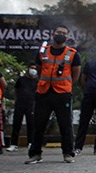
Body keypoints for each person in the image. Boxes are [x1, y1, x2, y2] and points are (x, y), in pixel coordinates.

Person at [27, 26, 81, 164]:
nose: (60, 35)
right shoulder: (43, 52)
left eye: (64, 33)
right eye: (58, 32)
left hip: (62, 94)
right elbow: (39, 70)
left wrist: (66, 85)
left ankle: (68, 153)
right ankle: (35, 154)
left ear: (67, 37)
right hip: (44, 93)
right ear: (52, 34)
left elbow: (75, 74)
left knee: (65, 125)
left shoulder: (73, 54)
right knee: (39, 124)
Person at [7, 63, 38, 152]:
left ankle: (31, 143)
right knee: (16, 124)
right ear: (28, 69)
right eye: (31, 68)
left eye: (35, 68)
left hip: (31, 104)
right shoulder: (21, 79)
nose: (33, 70)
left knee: (31, 124)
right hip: (20, 103)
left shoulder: (37, 81)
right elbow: (16, 89)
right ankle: (14, 144)